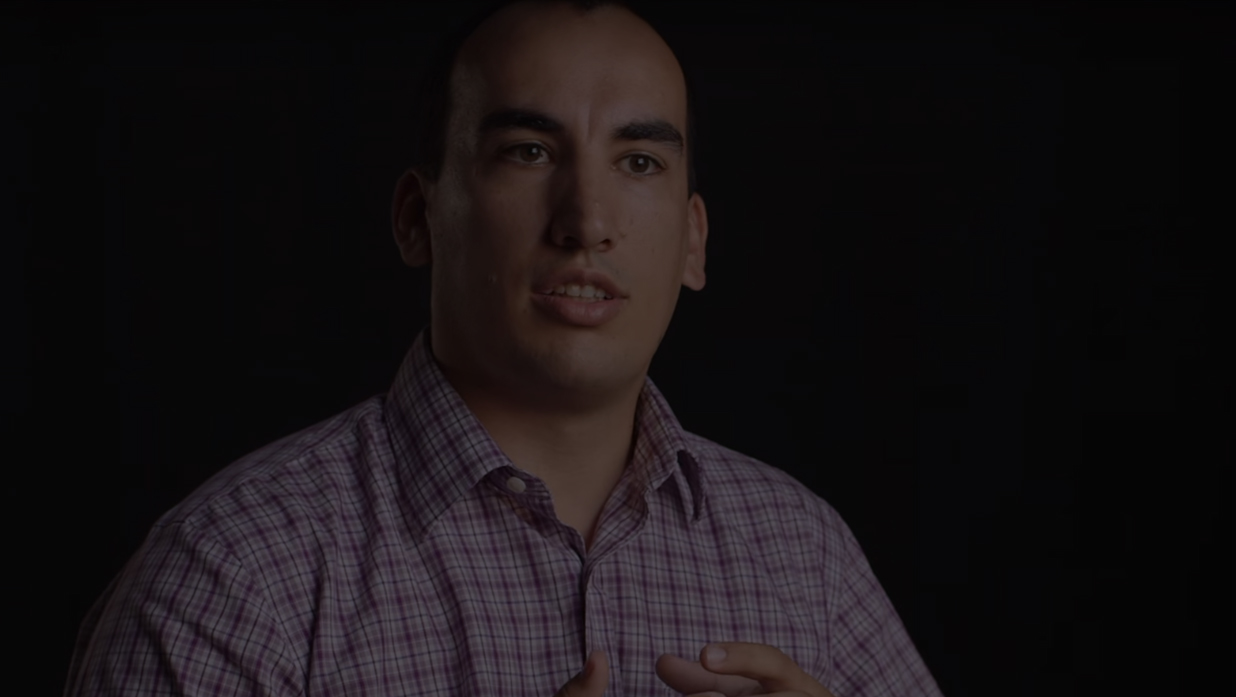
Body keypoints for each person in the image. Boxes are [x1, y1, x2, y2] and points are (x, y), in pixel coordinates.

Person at [65, 1, 943, 695]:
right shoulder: (235, 571)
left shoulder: (804, 553)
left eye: (639, 162)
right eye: (527, 151)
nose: (586, 221)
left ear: (693, 240)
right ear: (418, 217)